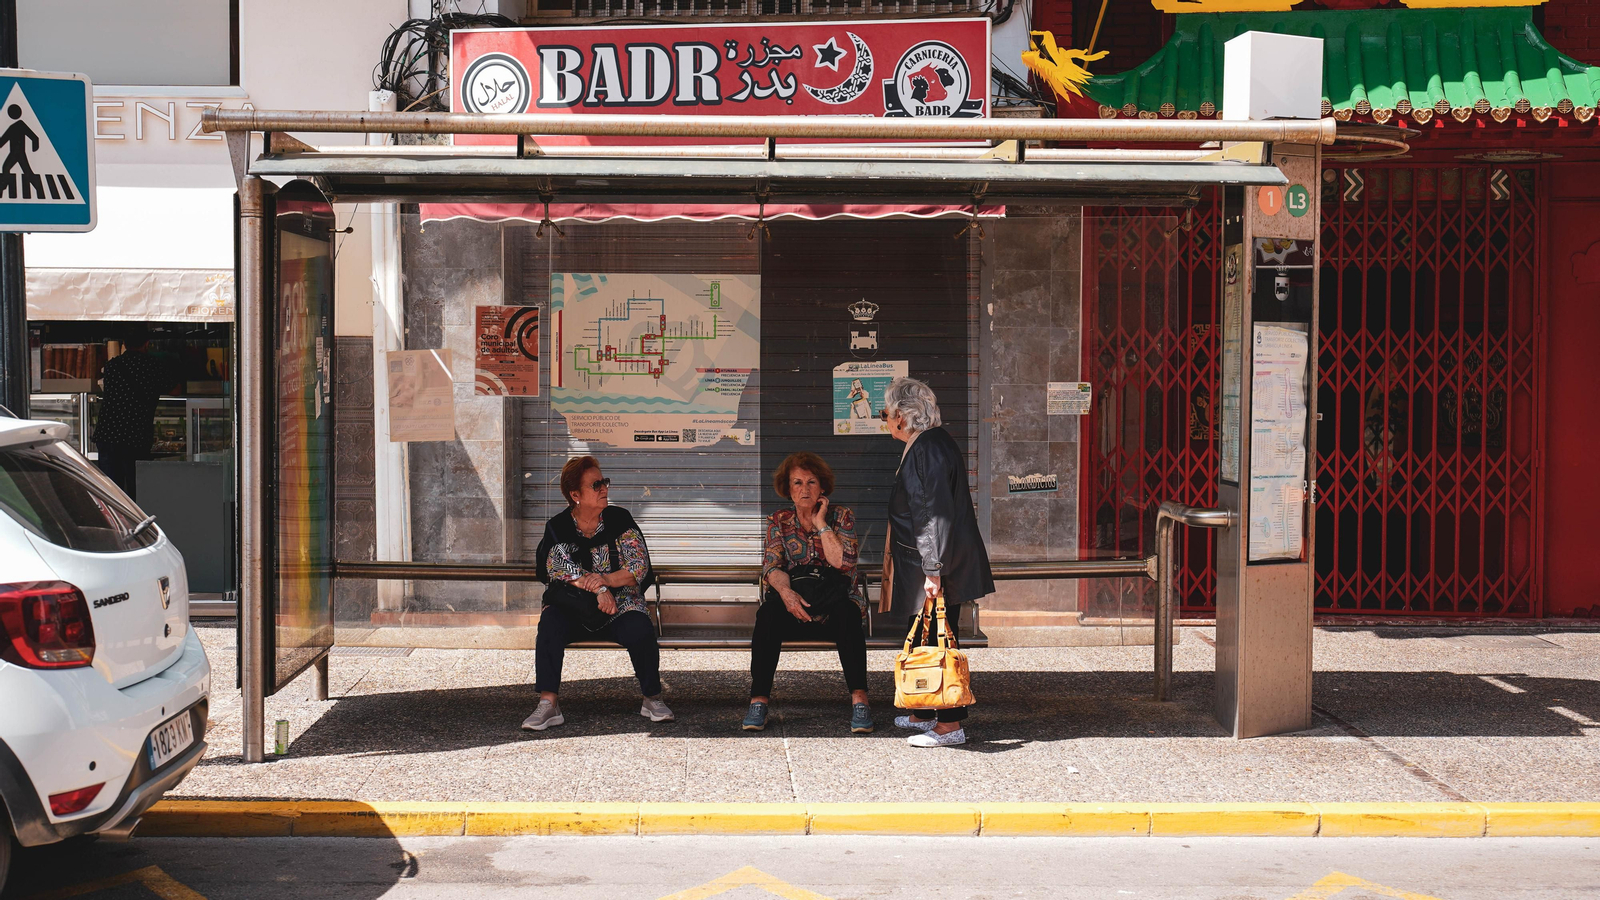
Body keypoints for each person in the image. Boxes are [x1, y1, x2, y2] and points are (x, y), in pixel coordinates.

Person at [881, 376, 994, 747]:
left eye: (886, 413)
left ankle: (949, 725)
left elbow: (931, 514)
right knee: (927, 637)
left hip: (935, 562)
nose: (885, 421)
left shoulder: (926, 449)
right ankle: (923, 709)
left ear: (903, 415)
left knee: (939, 640)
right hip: (939, 559)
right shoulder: (933, 442)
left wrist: (933, 571)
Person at [522, 456, 674, 731]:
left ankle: (652, 698)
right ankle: (548, 704)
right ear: (575, 495)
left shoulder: (619, 518)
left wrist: (604, 580)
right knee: (550, 625)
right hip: (574, 607)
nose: (604, 488)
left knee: (640, 628)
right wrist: (601, 588)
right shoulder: (557, 527)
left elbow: (638, 566)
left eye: (604, 482)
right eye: (596, 485)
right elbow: (559, 567)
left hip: (621, 605)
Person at [744, 452, 873, 735]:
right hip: (796, 605)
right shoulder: (779, 520)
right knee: (767, 614)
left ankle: (860, 701)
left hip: (834, 605)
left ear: (822, 488)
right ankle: (759, 701)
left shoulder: (842, 516)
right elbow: (772, 566)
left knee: (849, 613)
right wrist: (788, 596)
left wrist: (821, 524)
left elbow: (843, 563)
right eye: (797, 483)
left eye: (811, 482)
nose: (805, 489)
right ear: (788, 489)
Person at [93, 325, 166, 500]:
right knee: (137, 492)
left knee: (111, 493)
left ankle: (115, 524)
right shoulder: (153, 367)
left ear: (124, 344)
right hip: (136, 436)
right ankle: (137, 524)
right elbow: (177, 390)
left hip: (109, 435)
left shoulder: (112, 366)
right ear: (147, 344)